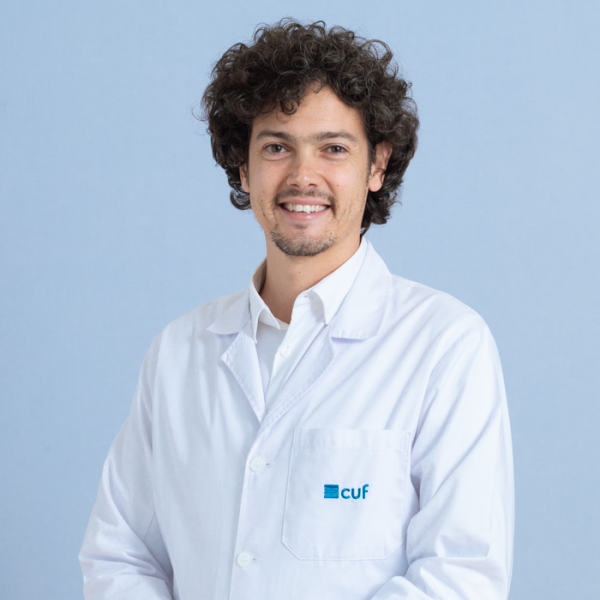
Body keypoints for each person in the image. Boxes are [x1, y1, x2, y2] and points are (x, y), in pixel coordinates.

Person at [80, 20, 514, 600]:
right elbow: (121, 554)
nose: (303, 176)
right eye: (277, 147)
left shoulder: (445, 346)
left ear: (377, 166)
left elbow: (460, 576)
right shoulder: (179, 352)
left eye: (334, 148)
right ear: (243, 165)